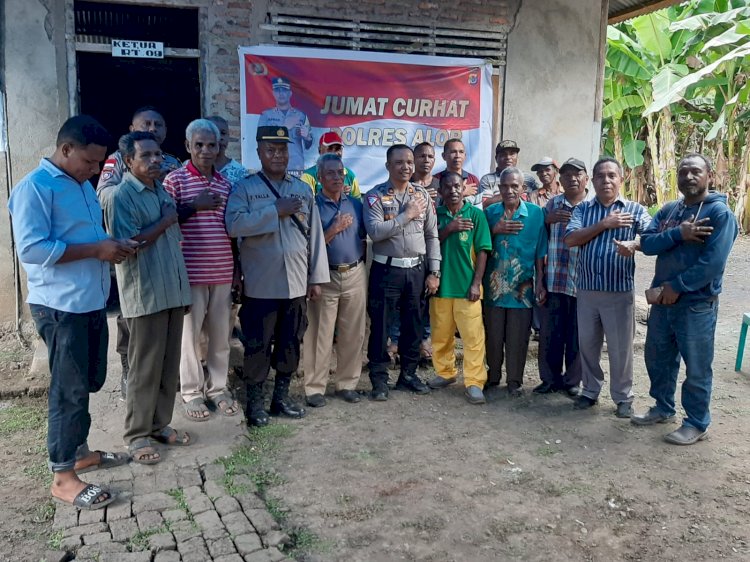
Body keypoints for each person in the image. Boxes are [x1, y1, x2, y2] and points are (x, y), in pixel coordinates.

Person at [9, 115, 137, 510]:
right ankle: (63, 477)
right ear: (66, 149)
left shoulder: (80, 184)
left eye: (100, 163)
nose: (96, 170)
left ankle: (80, 452)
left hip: (90, 301)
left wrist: (110, 243)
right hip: (60, 307)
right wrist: (97, 251)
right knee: (68, 391)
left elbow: (84, 235)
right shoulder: (35, 187)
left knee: (90, 381)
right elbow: (31, 249)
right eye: (90, 161)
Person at [226, 126, 329, 427]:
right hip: (261, 285)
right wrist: (275, 210)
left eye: (282, 149)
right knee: (258, 345)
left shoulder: (302, 190)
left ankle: (280, 398)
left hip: (296, 283)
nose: (277, 155)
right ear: (258, 152)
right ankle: (256, 404)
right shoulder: (244, 189)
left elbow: (315, 237)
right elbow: (234, 226)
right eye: (270, 149)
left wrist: (316, 278)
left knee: (290, 342)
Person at [633, 154, 738, 445]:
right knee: (658, 358)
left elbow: (713, 263)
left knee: (697, 366)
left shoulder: (719, 214)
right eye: (683, 171)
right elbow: (647, 243)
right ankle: (663, 408)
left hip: (696, 304)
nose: (689, 177)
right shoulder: (669, 210)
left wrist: (677, 286)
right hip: (664, 303)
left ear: (709, 177)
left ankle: (696, 422)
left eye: (696, 171)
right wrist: (679, 234)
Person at [104, 131, 193, 463]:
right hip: (145, 293)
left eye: (158, 154)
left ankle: (159, 424)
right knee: (145, 368)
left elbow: (173, 241)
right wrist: (166, 220)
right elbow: (126, 247)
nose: (156, 160)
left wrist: (182, 289)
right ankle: (137, 434)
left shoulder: (160, 189)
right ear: (129, 161)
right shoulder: (120, 196)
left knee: (169, 366)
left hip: (171, 289)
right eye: (147, 156)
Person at [97, 105, 182, 401]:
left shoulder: (169, 161)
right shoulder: (118, 162)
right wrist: (136, 200)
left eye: (159, 124)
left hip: (167, 255)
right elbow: (106, 195)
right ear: (132, 129)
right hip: (135, 250)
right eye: (146, 124)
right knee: (131, 322)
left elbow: (174, 198)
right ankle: (127, 369)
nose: (153, 128)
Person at [564, 157, 651, 418]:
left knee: (620, 349)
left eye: (612, 175)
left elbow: (653, 236)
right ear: (593, 180)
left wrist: (635, 244)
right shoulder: (583, 210)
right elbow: (570, 239)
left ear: (621, 179)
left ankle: (623, 397)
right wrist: (605, 224)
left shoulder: (635, 210)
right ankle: (590, 391)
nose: (606, 180)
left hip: (619, 292)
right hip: (588, 291)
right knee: (588, 346)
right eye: (601, 176)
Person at [164, 119, 239, 421]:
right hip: (190, 273)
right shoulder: (175, 181)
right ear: (188, 147)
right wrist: (195, 205)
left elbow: (231, 230)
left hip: (222, 270)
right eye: (200, 145)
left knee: (221, 336)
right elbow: (167, 223)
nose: (207, 151)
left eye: (212, 145)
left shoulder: (225, 184)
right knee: (189, 338)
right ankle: (192, 392)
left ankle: (218, 388)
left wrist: (237, 272)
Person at [364, 144, 441, 401]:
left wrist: (435, 271)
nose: (406, 167)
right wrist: (406, 216)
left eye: (409, 162)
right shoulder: (375, 196)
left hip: (417, 270)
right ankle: (379, 379)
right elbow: (374, 232)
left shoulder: (422, 196)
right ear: (388, 166)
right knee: (381, 327)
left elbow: (432, 235)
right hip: (387, 270)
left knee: (414, 325)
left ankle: (408, 375)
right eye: (399, 162)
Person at [302, 153, 367, 407]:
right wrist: (334, 229)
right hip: (324, 276)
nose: (337, 177)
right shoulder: (313, 206)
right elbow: (308, 246)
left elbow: (363, 237)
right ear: (319, 178)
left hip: (354, 273)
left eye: (340, 173)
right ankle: (315, 387)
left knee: (353, 332)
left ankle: (347, 384)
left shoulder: (355, 205)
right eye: (331, 173)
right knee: (319, 333)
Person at [427, 171, 492, 404]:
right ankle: (445, 373)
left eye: (457, 186)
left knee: (473, 338)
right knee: (441, 335)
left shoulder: (475, 215)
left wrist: (476, 283)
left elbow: (483, 250)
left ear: (464, 187)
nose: (453, 190)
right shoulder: (435, 214)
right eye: (447, 187)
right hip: (441, 288)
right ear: (441, 191)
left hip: (468, 290)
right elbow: (430, 242)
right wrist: (450, 228)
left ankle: (474, 382)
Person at [483, 167, 547, 396]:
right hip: (493, 286)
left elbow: (541, 250)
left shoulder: (535, 214)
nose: (509, 190)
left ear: (523, 189)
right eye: (505, 186)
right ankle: (492, 378)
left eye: (514, 186)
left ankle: (514, 381)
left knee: (518, 336)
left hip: (523, 286)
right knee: (493, 334)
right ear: (499, 188)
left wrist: (540, 281)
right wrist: (495, 230)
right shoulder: (490, 213)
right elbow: (479, 245)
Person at [534, 158, 588, 397]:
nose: (572, 179)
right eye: (566, 175)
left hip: (583, 282)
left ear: (586, 178)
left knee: (577, 335)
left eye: (577, 174)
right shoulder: (553, 204)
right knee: (550, 334)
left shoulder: (593, 205)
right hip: (555, 279)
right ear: (560, 178)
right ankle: (549, 379)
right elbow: (540, 240)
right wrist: (540, 279)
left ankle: (573, 381)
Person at [258, 77, 313, 174]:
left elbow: (309, 145)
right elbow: (260, 140)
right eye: (277, 90)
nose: (281, 94)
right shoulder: (266, 115)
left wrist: (307, 137)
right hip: (273, 166)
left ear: (290, 93)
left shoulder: (301, 115)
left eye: (284, 90)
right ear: (273, 93)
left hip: (296, 167)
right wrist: (285, 127)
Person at [300, 131, 361, 198]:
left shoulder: (350, 175)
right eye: (330, 148)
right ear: (319, 150)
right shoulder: (308, 175)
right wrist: (334, 193)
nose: (334, 153)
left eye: (338, 149)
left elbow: (357, 205)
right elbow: (307, 204)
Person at [480, 140, 538, 208]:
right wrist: (515, 193)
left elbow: (536, 200)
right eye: (503, 154)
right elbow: (485, 204)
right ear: (496, 158)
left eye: (512, 154)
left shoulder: (529, 179)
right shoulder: (487, 179)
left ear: (517, 157)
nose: (508, 157)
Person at [206, 115, 254, 186]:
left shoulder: (240, 172)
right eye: (214, 133)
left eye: (223, 133)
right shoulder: (192, 169)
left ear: (228, 136)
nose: (220, 138)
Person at [434, 138, 481, 208]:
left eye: (461, 152)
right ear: (444, 156)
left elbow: (479, 206)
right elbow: (435, 207)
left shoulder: (473, 180)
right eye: (453, 152)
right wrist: (462, 193)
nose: (457, 156)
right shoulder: (436, 179)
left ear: (465, 156)